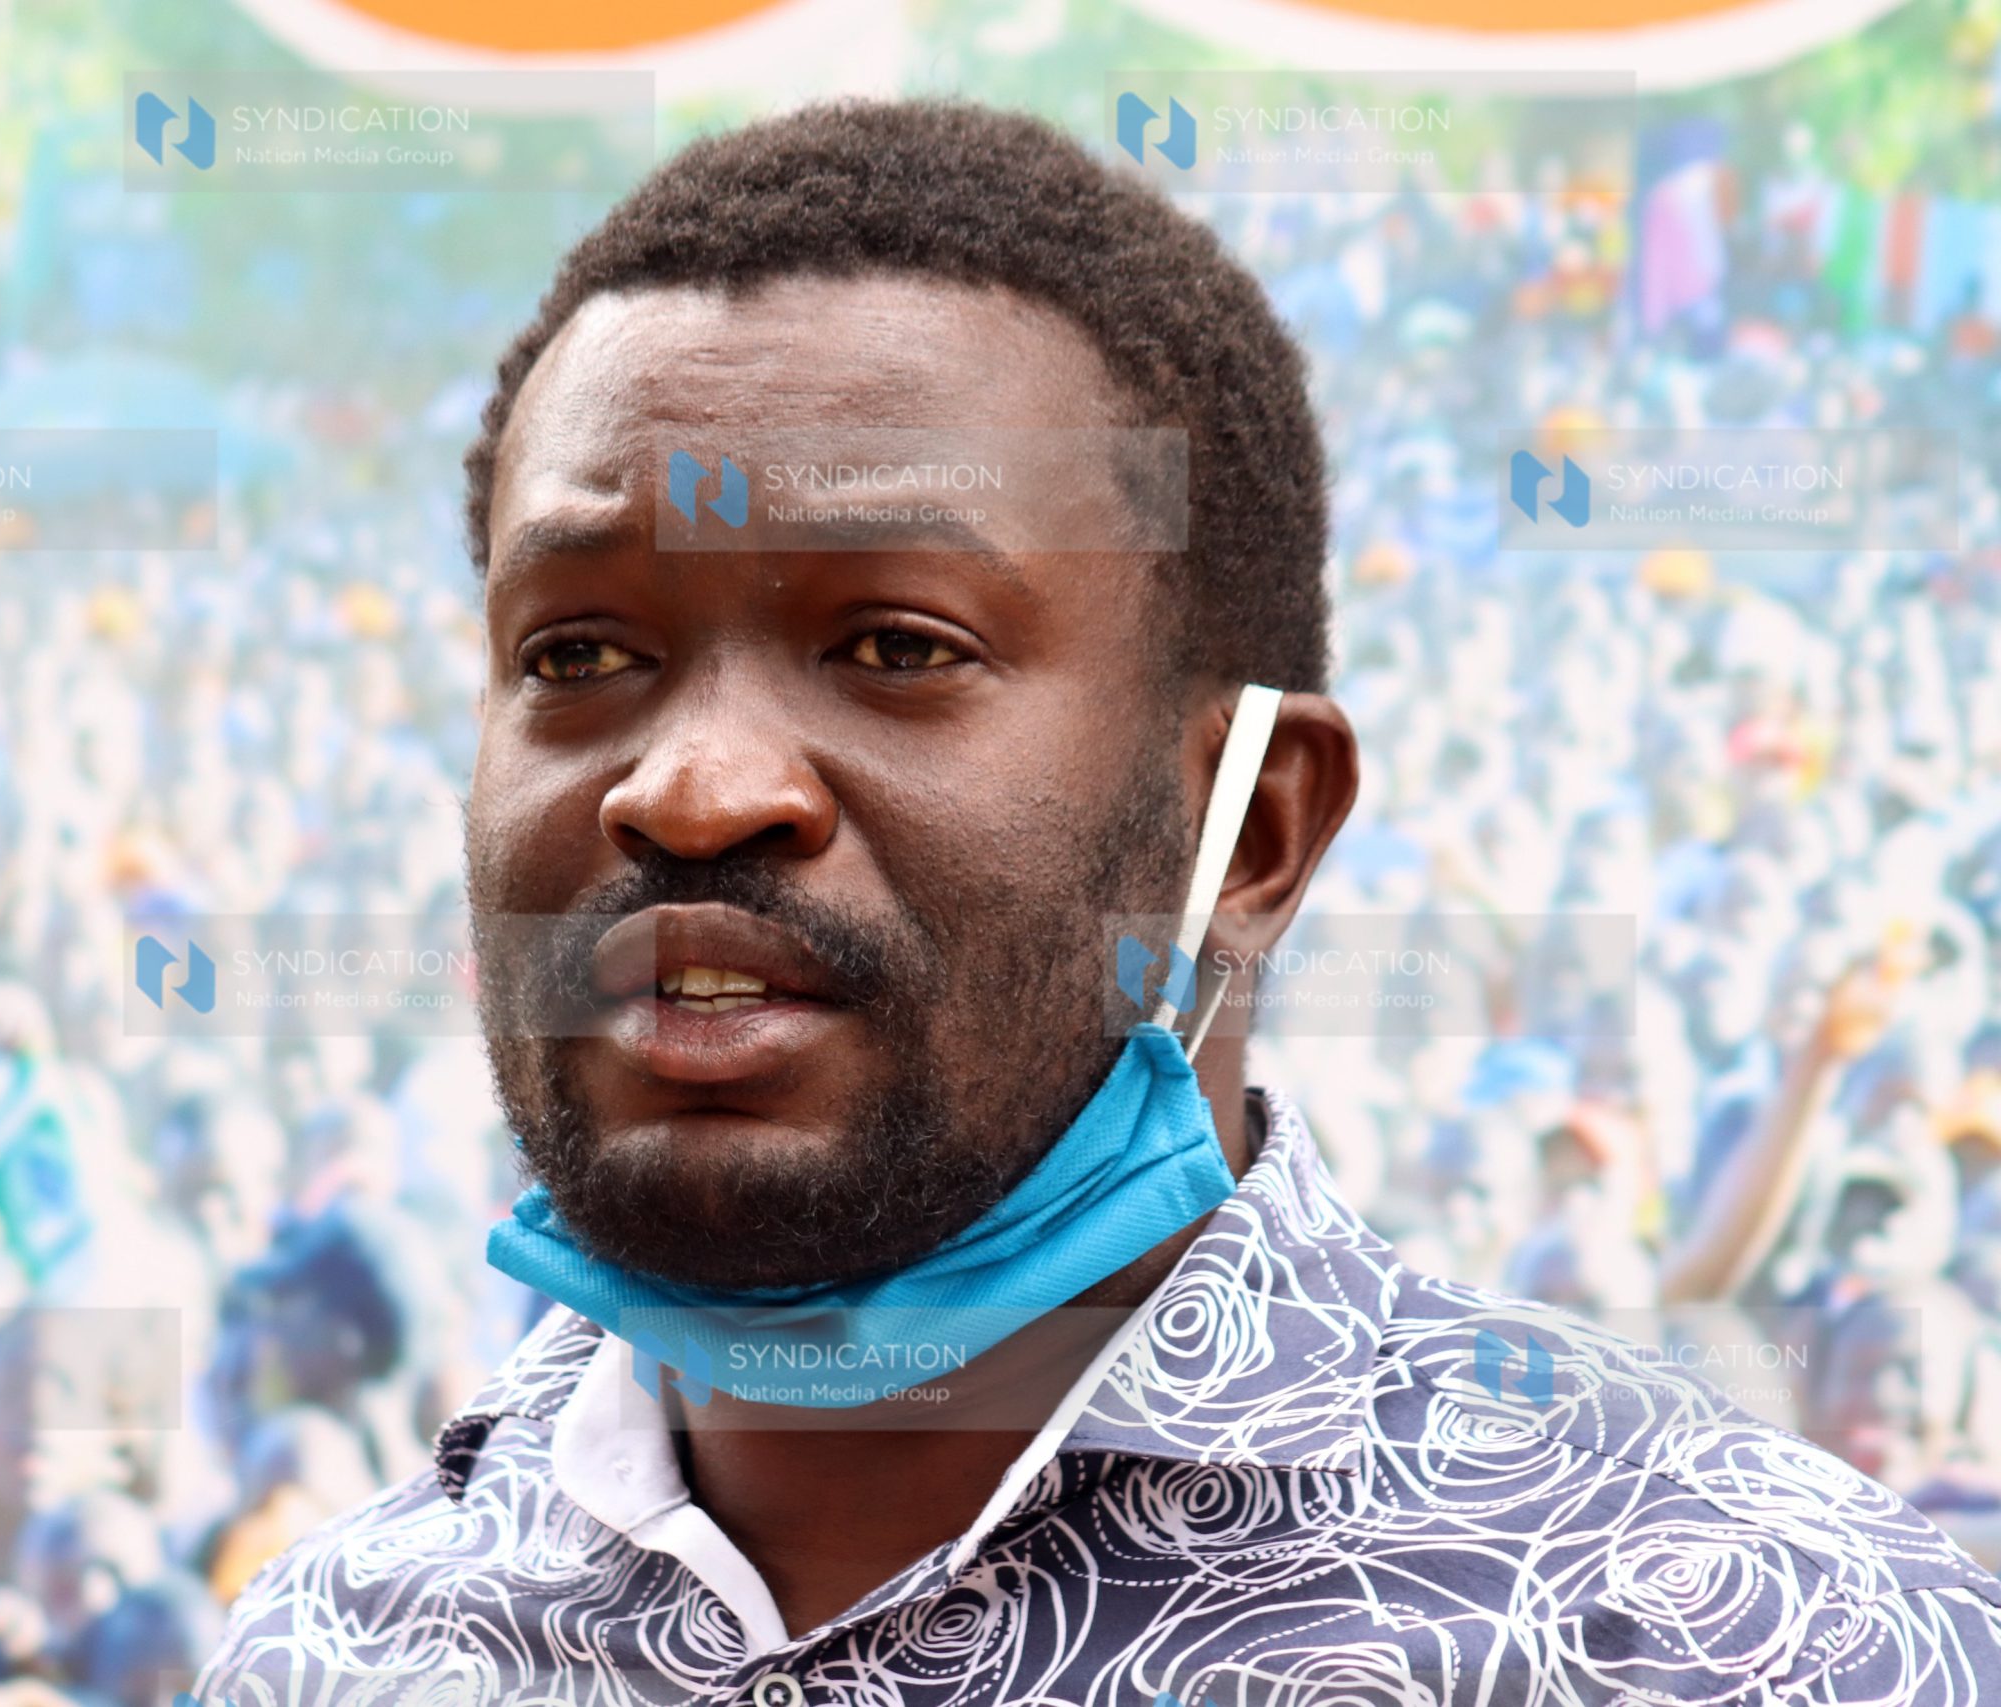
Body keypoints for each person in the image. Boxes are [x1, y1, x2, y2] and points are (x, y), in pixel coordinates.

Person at [192, 100, 2001, 1702]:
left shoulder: (1748, 1647)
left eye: (896, 643)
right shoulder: (335, 1651)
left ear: (1258, 828)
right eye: (578, 650)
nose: (687, 785)